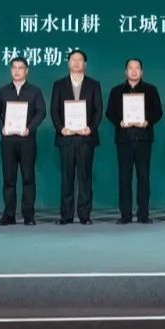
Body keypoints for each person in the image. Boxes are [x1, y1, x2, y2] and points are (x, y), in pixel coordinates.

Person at [105, 58, 163, 224]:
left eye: (137, 68)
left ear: (142, 71)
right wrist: (120, 122)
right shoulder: (116, 91)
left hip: (143, 138)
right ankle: (125, 215)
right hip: (124, 138)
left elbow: (158, 112)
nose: (134, 71)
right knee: (124, 178)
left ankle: (143, 214)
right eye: (130, 68)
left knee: (143, 177)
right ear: (126, 71)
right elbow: (109, 113)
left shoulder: (151, 90)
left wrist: (147, 121)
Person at [0, 57, 46, 226]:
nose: (17, 71)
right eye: (14, 67)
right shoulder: (2, 91)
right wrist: (2, 127)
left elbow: (41, 112)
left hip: (27, 140)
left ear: (26, 71)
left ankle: (28, 215)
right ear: (10, 70)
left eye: (20, 68)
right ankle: (9, 215)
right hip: (8, 140)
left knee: (28, 177)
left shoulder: (35, 91)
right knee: (9, 179)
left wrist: (30, 128)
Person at [50, 50, 103, 225]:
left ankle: (84, 215)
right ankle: (66, 215)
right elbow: (54, 110)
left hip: (85, 138)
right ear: (68, 63)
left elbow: (98, 110)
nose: (76, 62)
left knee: (85, 178)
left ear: (85, 64)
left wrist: (90, 128)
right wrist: (61, 128)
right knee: (67, 178)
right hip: (66, 137)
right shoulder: (59, 84)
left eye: (80, 60)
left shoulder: (94, 84)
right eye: (73, 59)